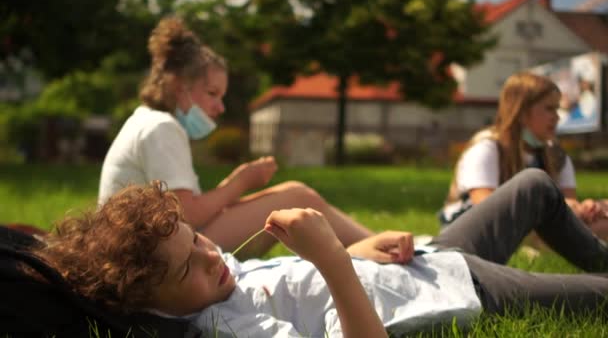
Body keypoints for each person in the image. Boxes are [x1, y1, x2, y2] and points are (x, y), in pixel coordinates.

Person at [34, 169, 608, 337]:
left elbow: (288, 279)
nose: (213, 257)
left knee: (533, 185)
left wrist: (356, 248)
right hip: (458, 285)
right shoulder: (231, 327)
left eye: (201, 240)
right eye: (190, 265)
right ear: (149, 300)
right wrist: (334, 259)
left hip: (421, 257)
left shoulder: (213, 279)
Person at [98, 17, 372, 258]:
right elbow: (189, 214)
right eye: (212, 93)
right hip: (151, 256)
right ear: (180, 88)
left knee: (294, 197)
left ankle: (372, 246)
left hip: (149, 249)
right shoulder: (161, 128)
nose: (220, 107)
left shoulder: (149, 122)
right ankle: (381, 247)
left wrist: (234, 184)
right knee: (297, 196)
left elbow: (185, 212)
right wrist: (242, 181)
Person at [439, 72, 608, 238]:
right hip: (478, 230)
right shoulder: (487, 148)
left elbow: (568, 205)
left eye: (558, 109)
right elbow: (488, 213)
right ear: (521, 112)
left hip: (532, 226)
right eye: (549, 109)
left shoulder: (556, 155)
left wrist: (584, 209)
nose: (557, 117)